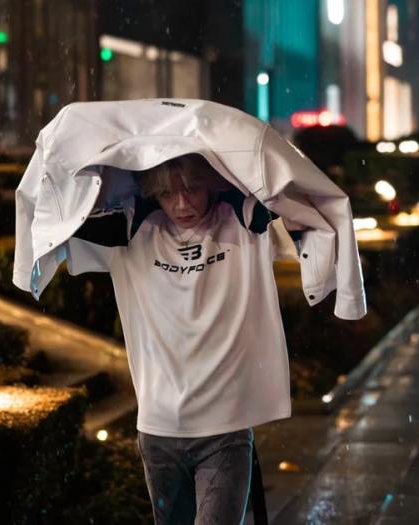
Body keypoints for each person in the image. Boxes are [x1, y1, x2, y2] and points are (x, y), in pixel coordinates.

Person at [70, 154, 298, 523]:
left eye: (192, 190)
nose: (181, 204)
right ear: (152, 194)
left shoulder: (241, 220)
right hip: (158, 428)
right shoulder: (132, 228)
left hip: (224, 426)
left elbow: (292, 200)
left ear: (211, 183)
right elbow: (62, 214)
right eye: (167, 194)